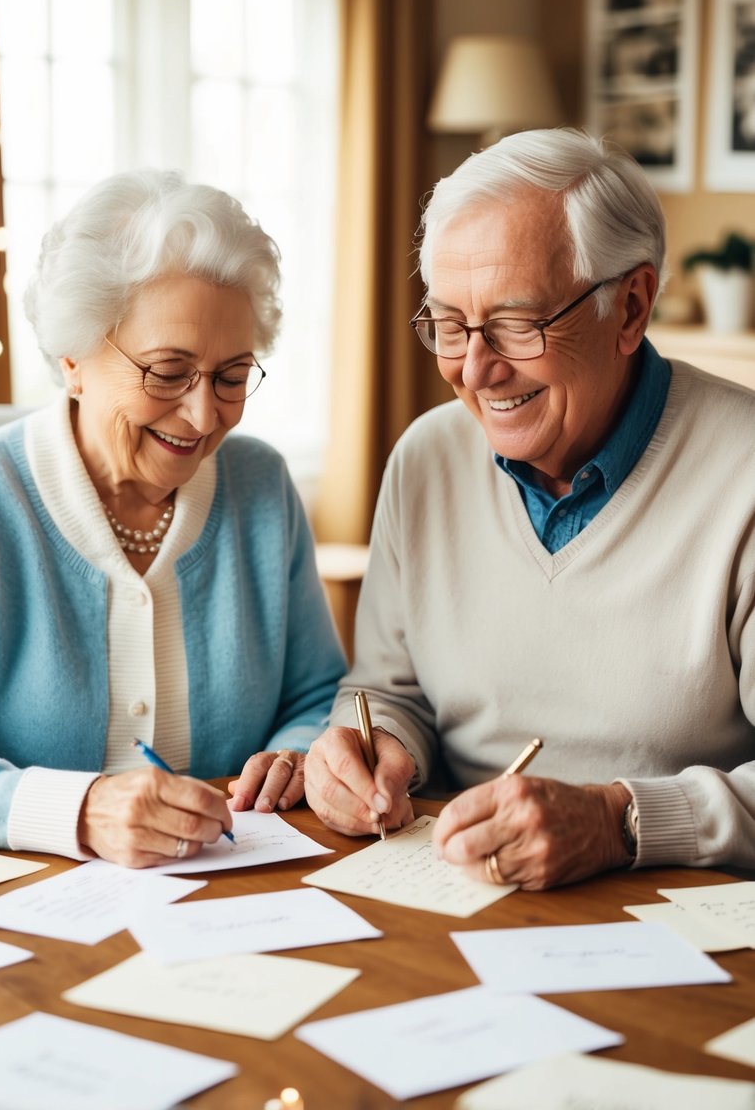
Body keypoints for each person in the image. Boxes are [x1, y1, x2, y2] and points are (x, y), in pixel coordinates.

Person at [305, 127, 755, 890]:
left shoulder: (741, 472)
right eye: (448, 323)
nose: (475, 369)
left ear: (630, 307)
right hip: (456, 890)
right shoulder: (425, 458)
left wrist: (618, 822)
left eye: (517, 322)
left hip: (684, 915)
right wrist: (366, 747)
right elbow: (389, 692)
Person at [0, 169, 346, 867]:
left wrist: (297, 755)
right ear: (73, 361)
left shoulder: (262, 488)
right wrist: (80, 811)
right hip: (24, 904)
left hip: (237, 887)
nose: (203, 414)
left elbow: (317, 694)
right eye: (167, 371)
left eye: (231, 376)